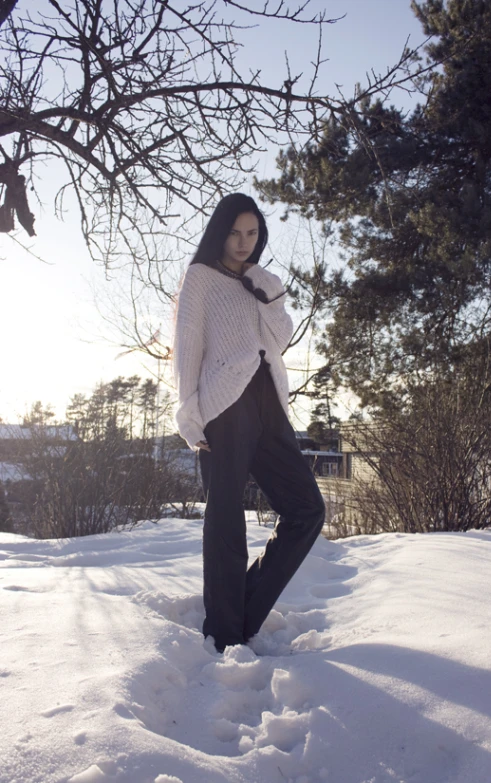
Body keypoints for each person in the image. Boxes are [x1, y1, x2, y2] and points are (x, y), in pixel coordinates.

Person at [172, 192, 325, 654]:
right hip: (224, 404)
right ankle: (224, 632)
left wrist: (270, 292)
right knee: (225, 520)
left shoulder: (260, 281)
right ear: (221, 231)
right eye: (235, 232)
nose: (243, 242)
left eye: (252, 233)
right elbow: (187, 350)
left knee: (307, 509)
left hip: (267, 400)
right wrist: (190, 415)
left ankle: (241, 609)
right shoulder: (199, 278)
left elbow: (280, 339)